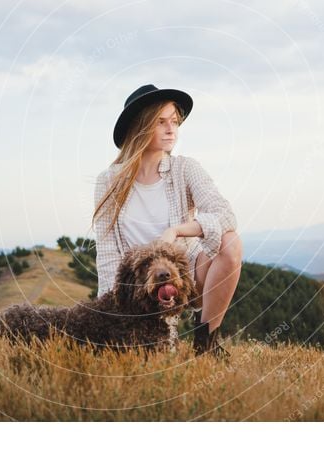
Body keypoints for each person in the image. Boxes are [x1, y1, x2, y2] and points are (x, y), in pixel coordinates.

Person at [91, 84, 243, 359]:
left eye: (174, 121)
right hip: (138, 287)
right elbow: (107, 255)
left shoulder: (185, 168)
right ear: (140, 126)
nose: (171, 129)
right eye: (161, 122)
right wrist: (110, 313)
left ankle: (206, 343)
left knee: (230, 243)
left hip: (185, 275)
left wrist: (176, 231)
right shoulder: (108, 181)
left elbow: (225, 215)